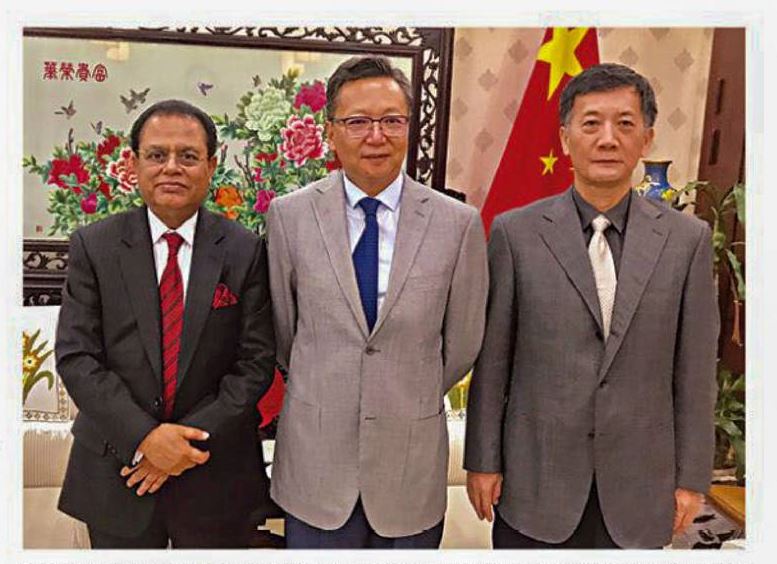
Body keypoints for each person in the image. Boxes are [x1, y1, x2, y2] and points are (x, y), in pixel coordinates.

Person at [464, 63, 719, 549]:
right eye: (591, 123)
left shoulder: (687, 240)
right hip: (535, 483)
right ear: (565, 138)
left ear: (646, 139)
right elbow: (493, 361)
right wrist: (482, 459)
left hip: (640, 488)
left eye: (624, 124)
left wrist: (692, 477)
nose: (607, 139)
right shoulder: (516, 233)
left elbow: (694, 371)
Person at [266, 55, 488, 549]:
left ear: (408, 127)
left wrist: (405, 386)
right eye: (358, 122)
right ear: (331, 132)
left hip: (409, 465)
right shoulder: (289, 217)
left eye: (391, 120)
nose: (376, 136)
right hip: (316, 466)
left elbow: (463, 341)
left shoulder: (457, 224)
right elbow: (284, 332)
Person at [55, 99, 276, 548]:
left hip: (215, 471)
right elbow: (77, 357)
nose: (171, 167)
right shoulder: (95, 246)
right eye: (157, 154)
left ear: (211, 165)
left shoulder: (244, 249)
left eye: (188, 156)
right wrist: (145, 439)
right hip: (119, 468)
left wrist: (180, 446)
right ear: (134, 164)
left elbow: (255, 363)